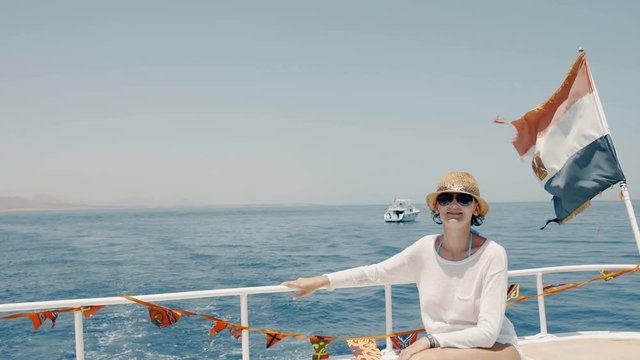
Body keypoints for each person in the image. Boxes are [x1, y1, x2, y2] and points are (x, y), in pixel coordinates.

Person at [283, 171, 524, 360]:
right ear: (436, 207)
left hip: (494, 350)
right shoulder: (424, 250)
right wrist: (322, 281)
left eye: (463, 199)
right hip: (443, 348)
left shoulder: (492, 254)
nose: (454, 204)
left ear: (476, 208)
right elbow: (375, 272)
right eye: (445, 198)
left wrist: (429, 341)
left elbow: (488, 332)